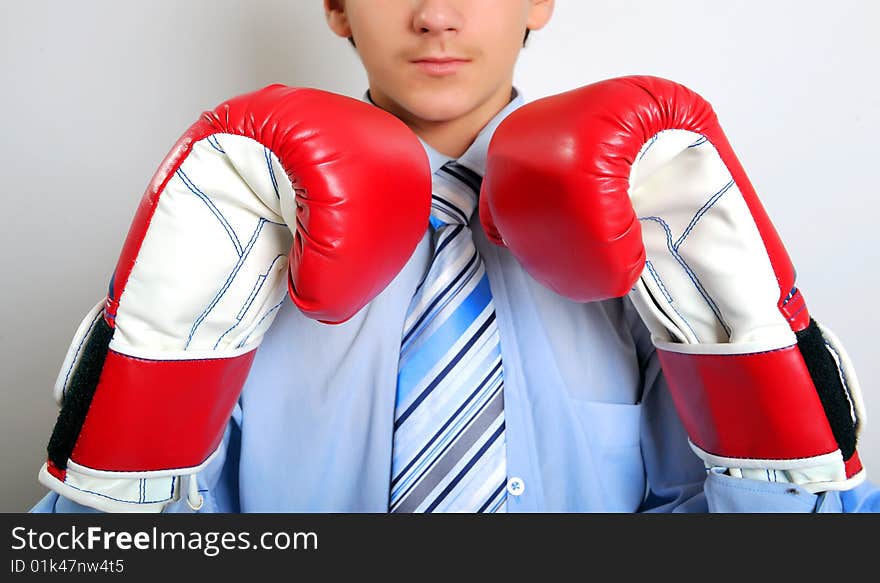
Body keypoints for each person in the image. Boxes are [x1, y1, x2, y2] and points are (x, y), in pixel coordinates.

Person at [31, 0, 880, 513]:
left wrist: (761, 376)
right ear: (336, 4)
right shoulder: (233, 217)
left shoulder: (663, 208)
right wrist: (131, 446)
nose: (435, 12)